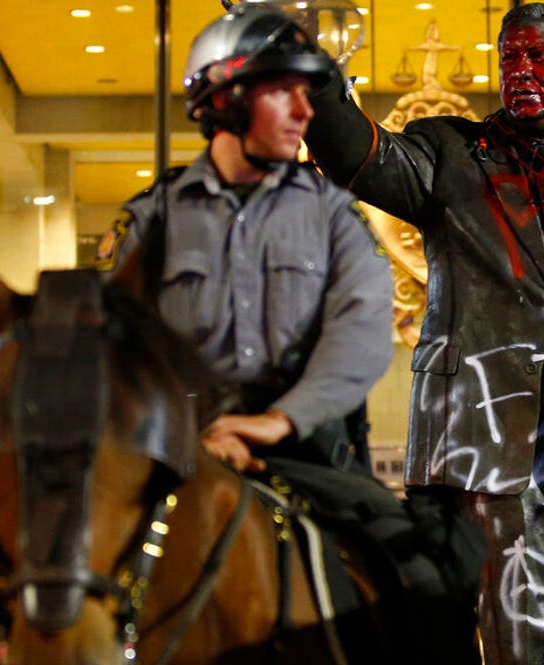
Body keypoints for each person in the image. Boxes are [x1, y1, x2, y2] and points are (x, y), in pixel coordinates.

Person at [304, 3, 544, 665]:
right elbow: (352, 154)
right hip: (492, 455)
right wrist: (308, 66)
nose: (519, 71)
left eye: (538, 58)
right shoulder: (447, 154)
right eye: (508, 58)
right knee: (515, 653)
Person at [96, 4, 393, 475]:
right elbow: (115, 345)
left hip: (308, 453)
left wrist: (278, 421)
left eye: (305, 93)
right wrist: (193, 431)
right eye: (281, 92)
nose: (304, 111)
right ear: (223, 99)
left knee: (416, 549)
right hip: (176, 451)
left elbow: (363, 334)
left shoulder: (334, 215)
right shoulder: (151, 218)